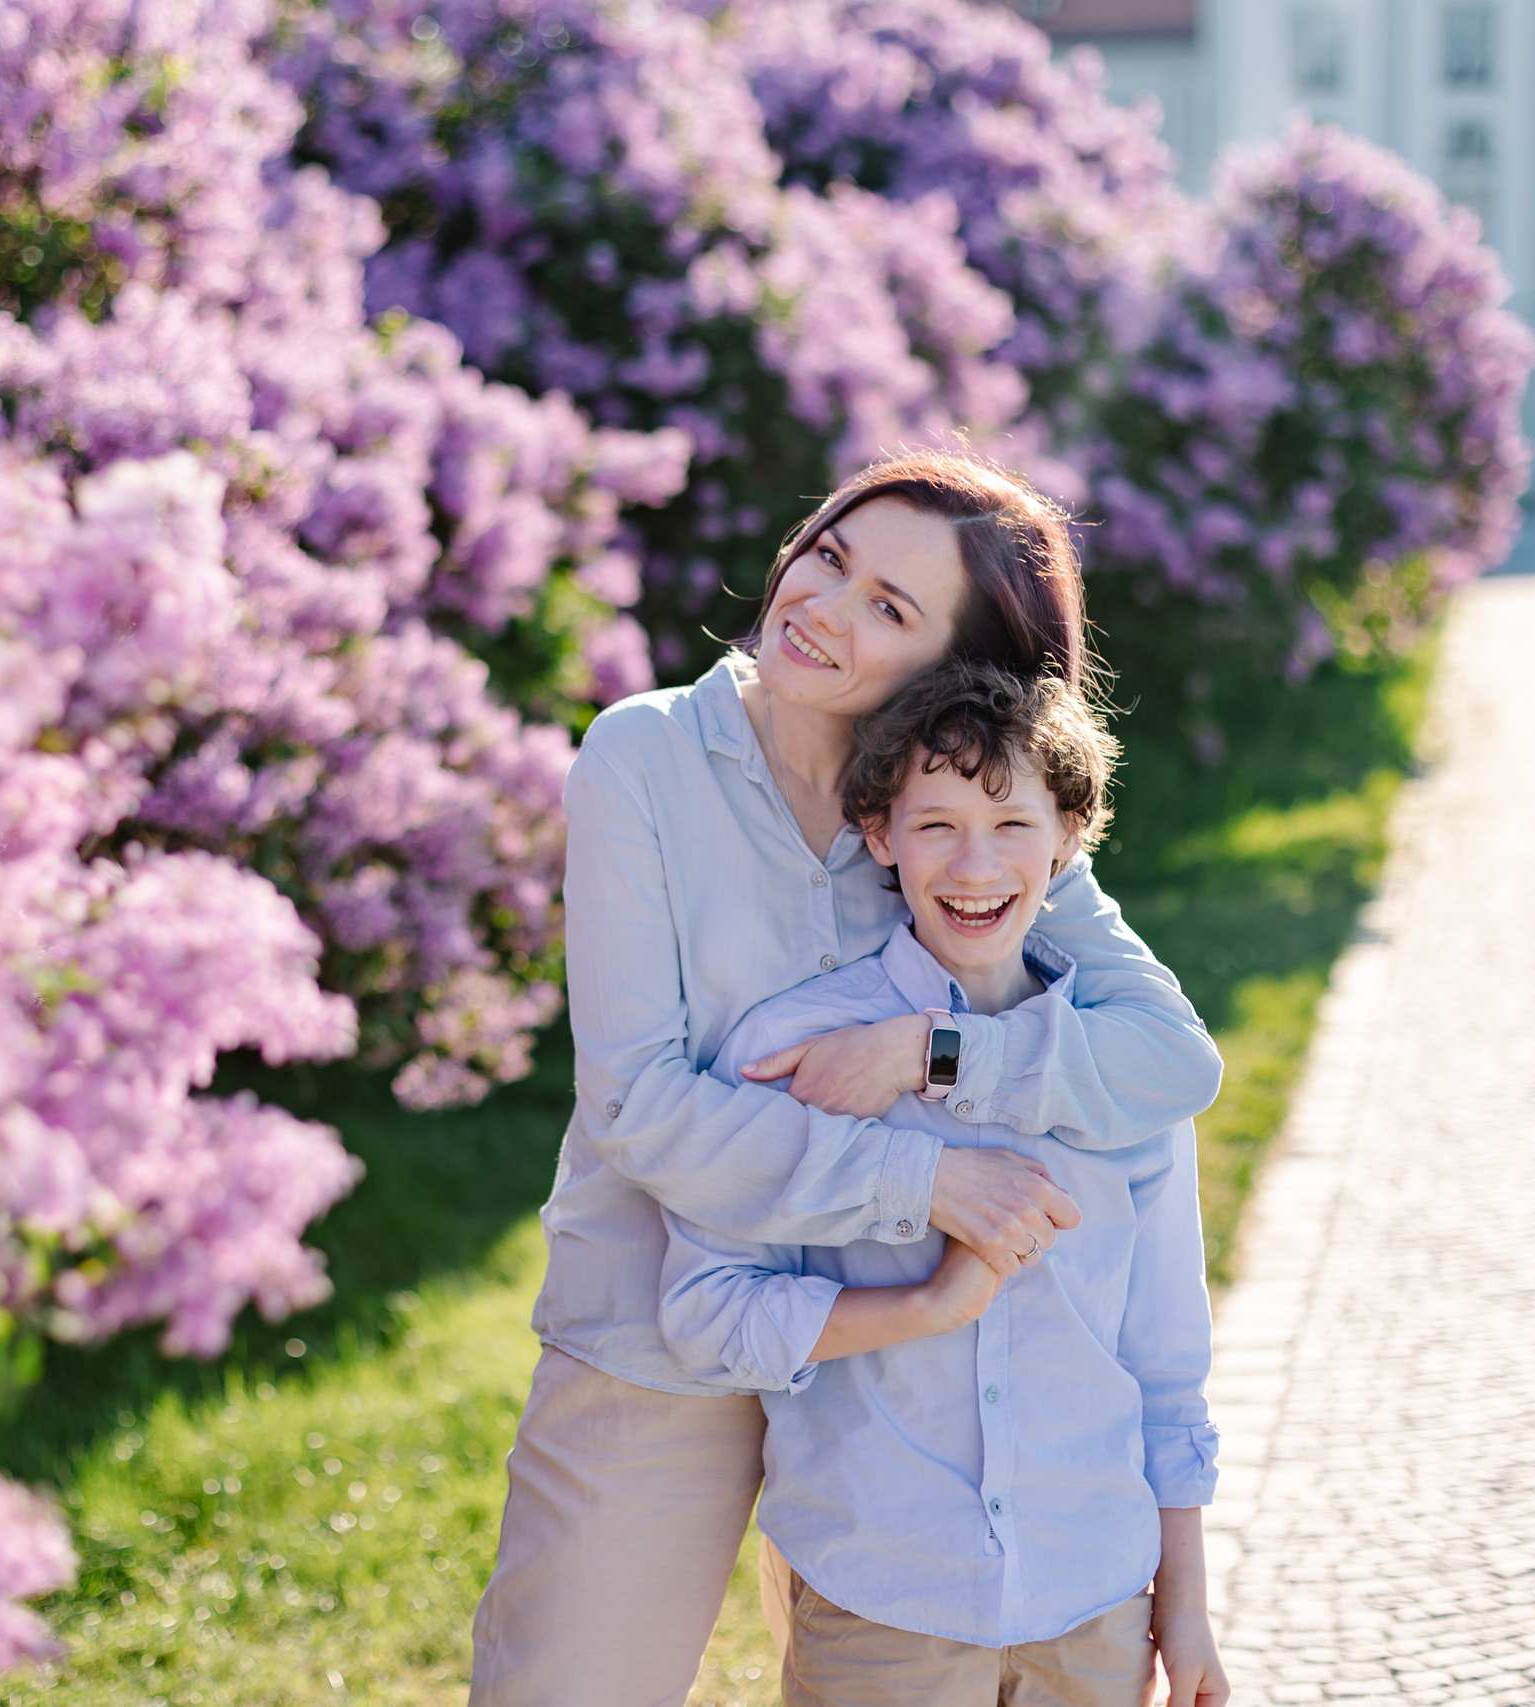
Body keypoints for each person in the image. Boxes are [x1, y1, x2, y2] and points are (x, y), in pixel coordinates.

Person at [466, 450, 1222, 1707]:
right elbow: (638, 1103)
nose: (822, 609)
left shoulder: (953, 803)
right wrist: (922, 1179)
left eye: (891, 608)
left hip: (893, 1411)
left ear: (952, 663)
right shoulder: (643, 757)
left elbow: (1167, 1060)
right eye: (829, 558)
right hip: (668, 1329)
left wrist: (931, 1055)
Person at [659, 662, 1227, 1707]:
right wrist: (919, 1306)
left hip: (1092, 1602)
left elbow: (1163, 1366)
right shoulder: (794, 1052)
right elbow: (705, 1314)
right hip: (883, 1604)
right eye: (935, 826)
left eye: (1012, 823)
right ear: (876, 835)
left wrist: (1181, 1607)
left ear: (1068, 838)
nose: (975, 865)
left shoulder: (1121, 1071)